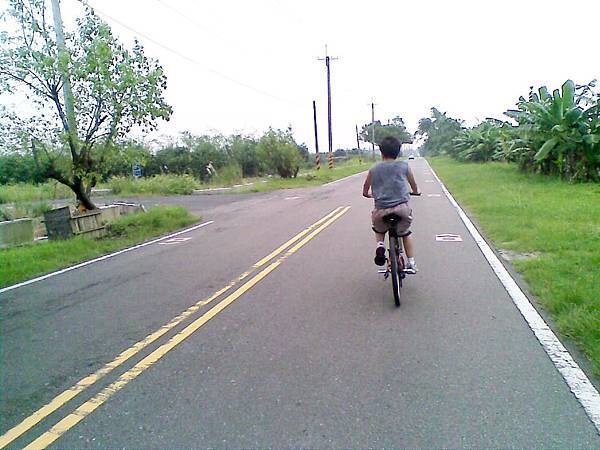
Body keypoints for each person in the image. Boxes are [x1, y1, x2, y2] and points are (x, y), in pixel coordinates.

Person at [362, 136, 420, 273]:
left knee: (379, 230)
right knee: (405, 234)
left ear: (381, 152)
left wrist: (367, 194)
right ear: (398, 152)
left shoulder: (374, 169)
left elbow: (366, 187)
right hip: (402, 209)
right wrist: (416, 192)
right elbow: (413, 184)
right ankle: (411, 263)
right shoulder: (404, 166)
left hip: (381, 210)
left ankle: (380, 245)